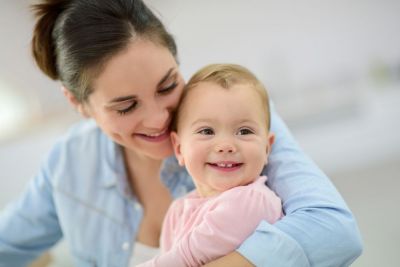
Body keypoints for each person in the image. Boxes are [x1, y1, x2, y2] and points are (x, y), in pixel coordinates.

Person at [0, 0, 362, 267]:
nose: (159, 119)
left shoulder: (234, 125)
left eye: (167, 85)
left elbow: (335, 232)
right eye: (126, 107)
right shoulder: (69, 164)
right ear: (79, 105)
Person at [138, 64, 284, 267]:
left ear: (267, 148)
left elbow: (185, 258)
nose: (226, 146)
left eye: (244, 131)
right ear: (179, 148)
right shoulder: (178, 210)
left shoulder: (252, 201)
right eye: (207, 131)